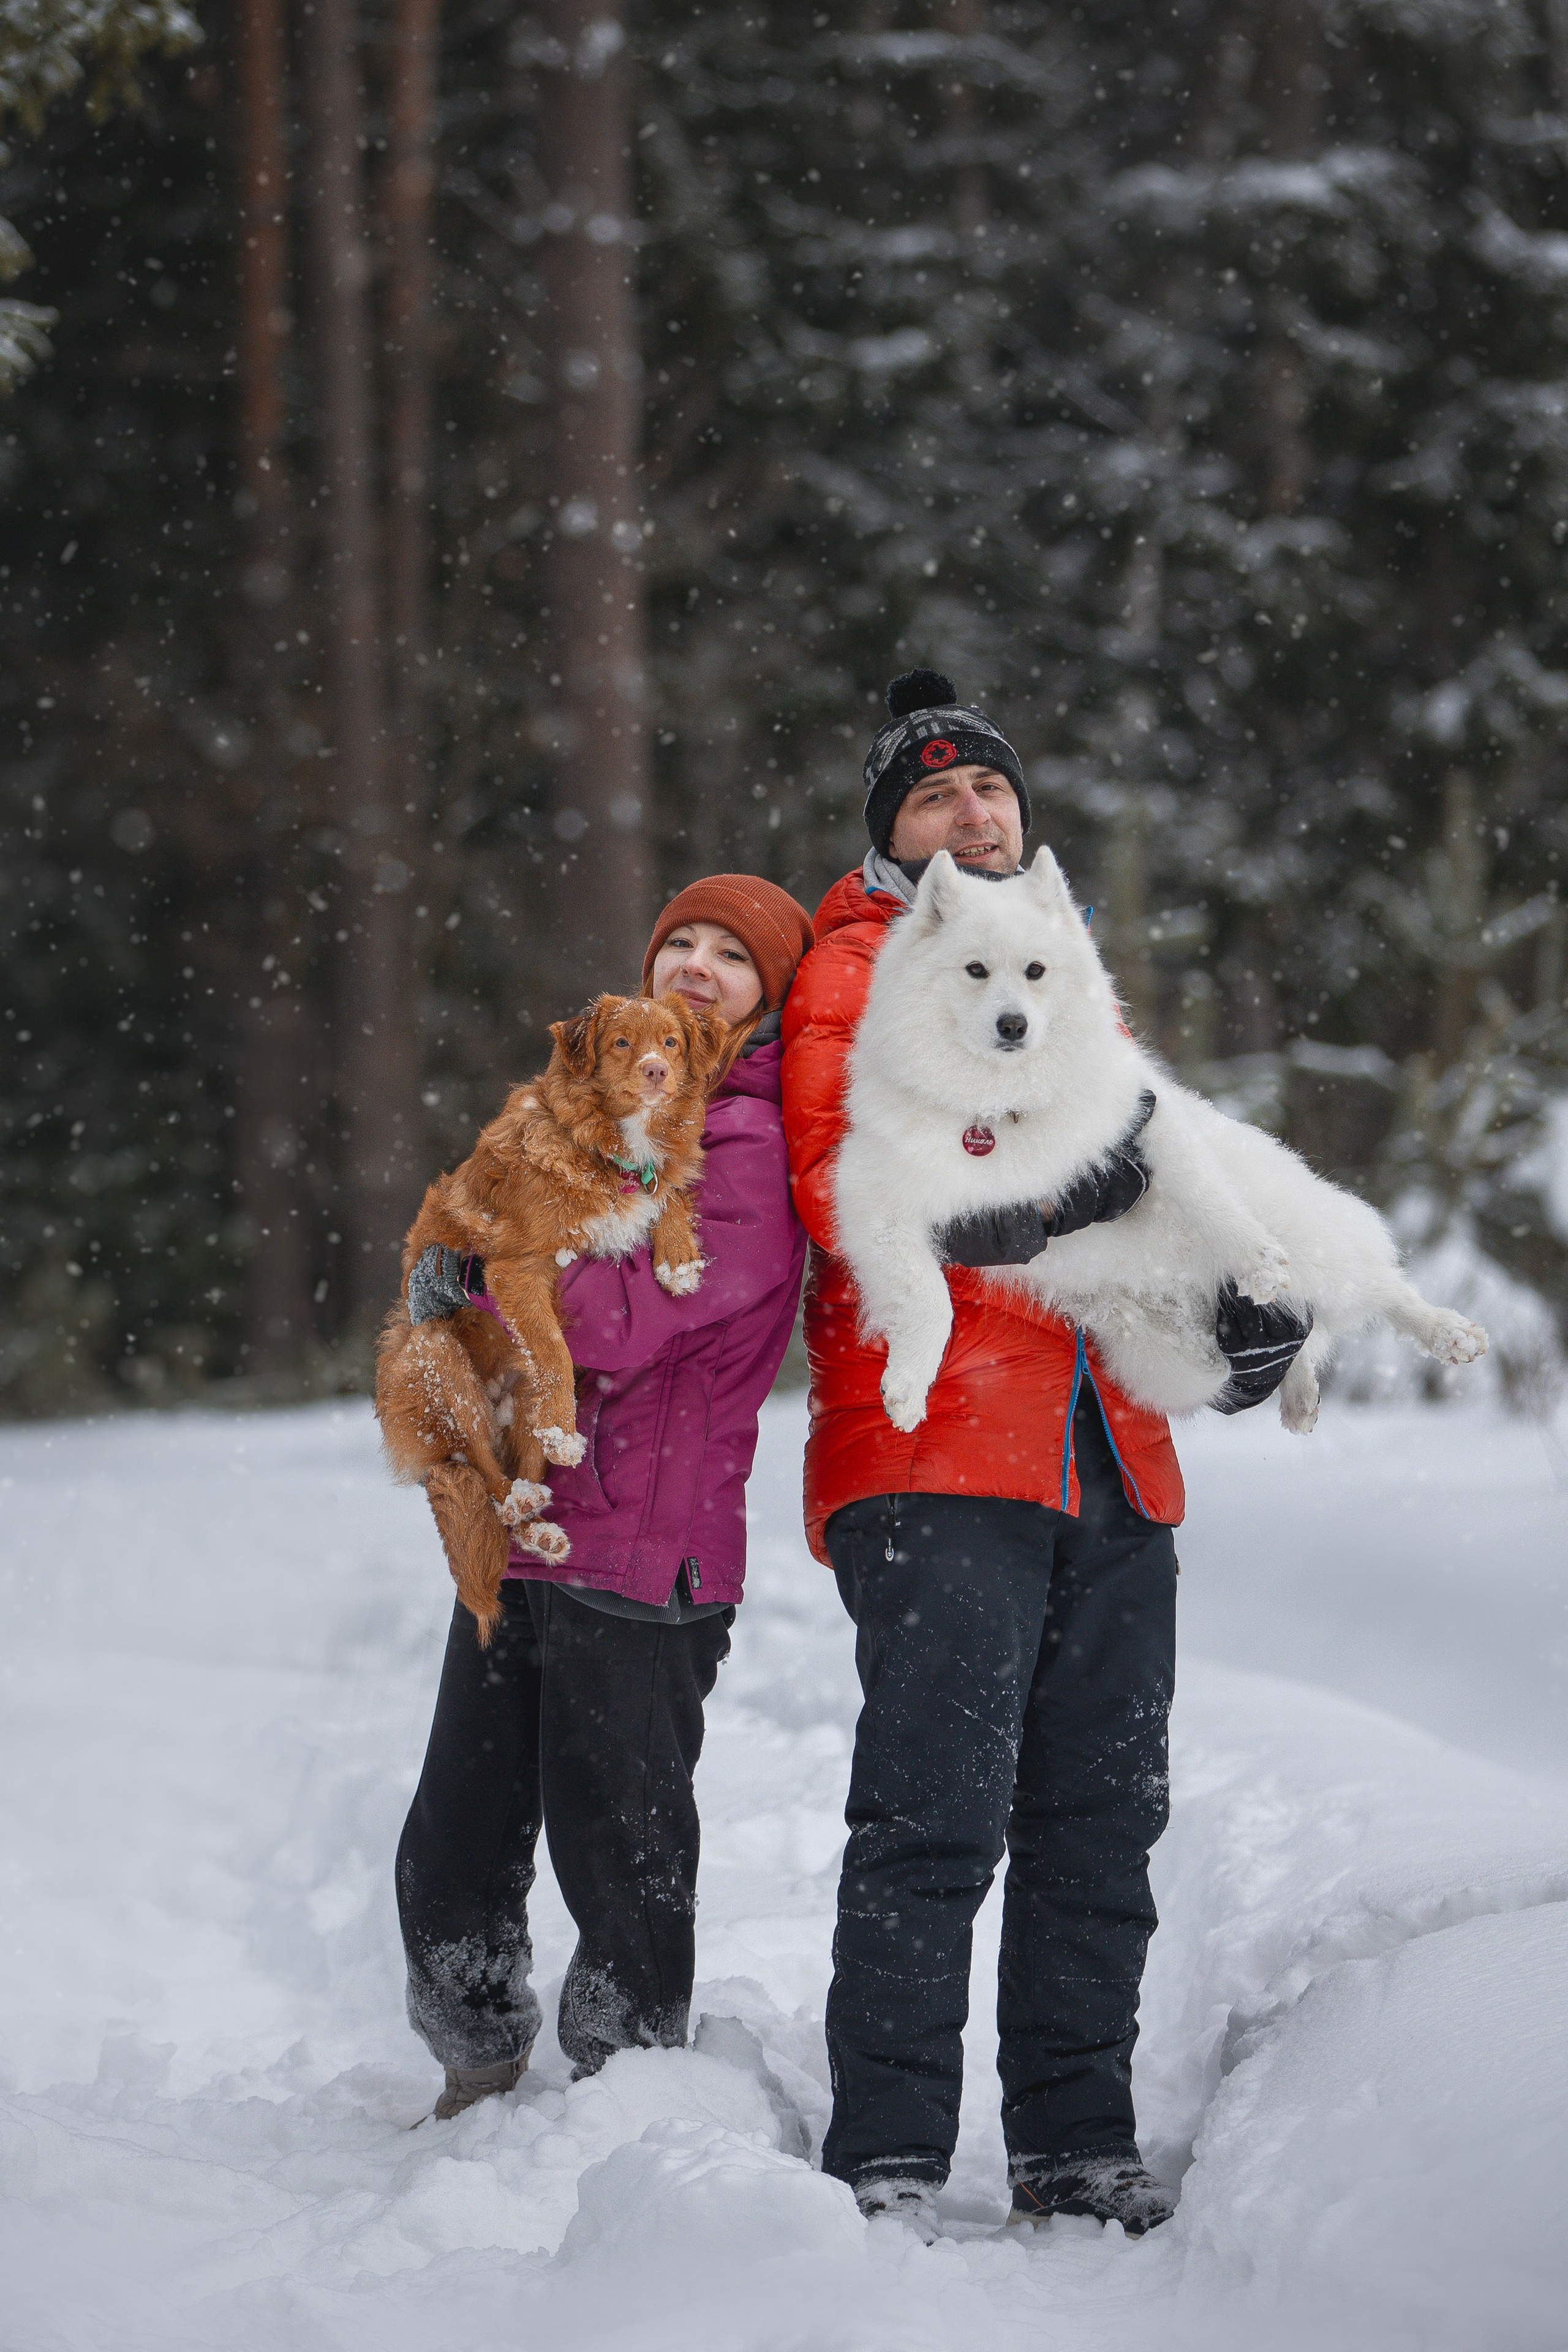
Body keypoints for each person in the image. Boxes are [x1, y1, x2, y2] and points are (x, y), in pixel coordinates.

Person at [781, 669, 1308, 2237]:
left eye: (989, 791)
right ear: (898, 838)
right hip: (938, 1446)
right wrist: (1026, 1209)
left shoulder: (1054, 961)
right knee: (933, 1809)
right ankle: (881, 2150)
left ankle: (1074, 2140)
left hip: (1108, 1450)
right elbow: (838, 1177)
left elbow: (1153, 1162)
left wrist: (1235, 1303)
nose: (971, 811)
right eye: (935, 798)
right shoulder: (855, 968)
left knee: (1099, 1811)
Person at [396, 875, 814, 2119]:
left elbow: (627, 1318)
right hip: (526, 1530)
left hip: (647, 1554)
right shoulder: (585, 1116)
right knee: (458, 1826)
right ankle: (473, 2046)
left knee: (619, 1844)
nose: (696, 964)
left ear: (770, 994)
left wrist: (477, 1279)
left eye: (731, 958)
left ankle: (627, 2085)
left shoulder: (747, 1138)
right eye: (678, 942)